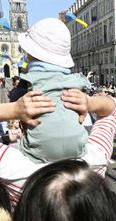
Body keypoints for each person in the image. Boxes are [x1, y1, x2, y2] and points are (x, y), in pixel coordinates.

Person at [0, 87, 116, 206]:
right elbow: (113, 110)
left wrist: (13, 109)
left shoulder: (13, 168)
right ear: (76, 121)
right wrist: (90, 103)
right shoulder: (95, 158)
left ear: (24, 125)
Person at [17, 17, 92, 164]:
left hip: (37, 154)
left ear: (31, 53)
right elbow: (113, 108)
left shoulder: (28, 80)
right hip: (77, 149)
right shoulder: (75, 81)